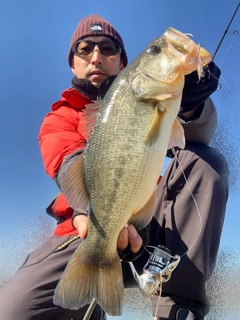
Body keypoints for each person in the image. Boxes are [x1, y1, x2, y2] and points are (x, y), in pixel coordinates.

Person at [0, 14, 228, 320]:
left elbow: (195, 136)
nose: (96, 56)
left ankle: (178, 310)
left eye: (108, 48)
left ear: (123, 64)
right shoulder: (60, 117)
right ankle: (92, 291)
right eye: (85, 49)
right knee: (12, 311)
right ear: (73, 63)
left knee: (206, 162)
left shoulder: (157, 97)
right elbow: (67, 165)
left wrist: (192, 106)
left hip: (151, 225)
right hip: (84, 230)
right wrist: (89, 216)